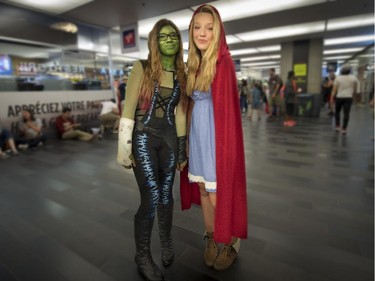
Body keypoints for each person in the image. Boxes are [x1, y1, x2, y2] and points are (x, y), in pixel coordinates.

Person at [117, 19, 187, 281]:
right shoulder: (142, 67)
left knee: (167, 196)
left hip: (169, 140)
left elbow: (180, 113)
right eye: (163, 36)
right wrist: (124, 147)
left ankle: (166, 242)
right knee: (151, 197)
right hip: (144, 138)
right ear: (155, 41)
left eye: (174, 36)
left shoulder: (182, 72)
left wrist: (182, 150)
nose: (169, 40)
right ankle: (142, 255)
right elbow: (129, 107)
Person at [181, 4, 247, 272]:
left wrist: (227, 151)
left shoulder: (225, 62)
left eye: (209, 28)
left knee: (218, 193)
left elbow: (229, 114)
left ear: (217, 31)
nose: (202, 33)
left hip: (218, 139)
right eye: (197, 27)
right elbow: (190, 105)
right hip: (198, 136)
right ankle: (210, 234)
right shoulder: (193, 64)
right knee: (203, 189)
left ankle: (230, 241)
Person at [330, 65, 359, 135]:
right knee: (346, 113)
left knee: (337, 112)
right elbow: (356, 87)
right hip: (348, 97)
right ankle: (344, 129)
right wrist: (355, 95)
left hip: (339, 97)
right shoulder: (353, 78)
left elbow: (334, 89)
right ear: (349, 71)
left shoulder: (338, 78)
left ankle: (337, 126)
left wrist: (331, 98)